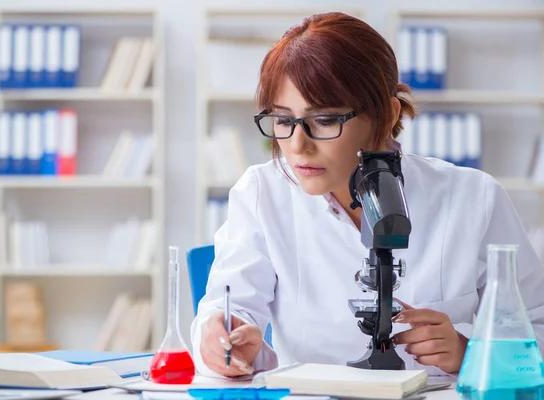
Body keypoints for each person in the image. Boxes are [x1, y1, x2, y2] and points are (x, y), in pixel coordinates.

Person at [190, 12, 544, 377]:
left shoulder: (473, 199)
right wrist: (225, 343)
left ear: (386, 115)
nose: (297, 145)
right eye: (283, 120)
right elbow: (225, 309)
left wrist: (471, 354)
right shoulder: (261, 194)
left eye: (324, 120)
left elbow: (537, 327)